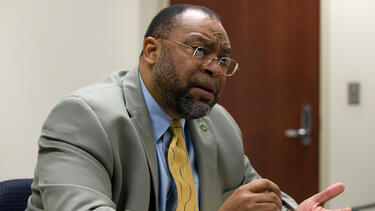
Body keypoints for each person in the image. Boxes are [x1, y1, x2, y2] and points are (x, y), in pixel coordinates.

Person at [26, 4, 350, 211]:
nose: (215, 68)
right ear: (151, 51)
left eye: (223, 59)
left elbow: (257, 192)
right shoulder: (85, 118)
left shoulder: (217, 123)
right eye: (199, 50)